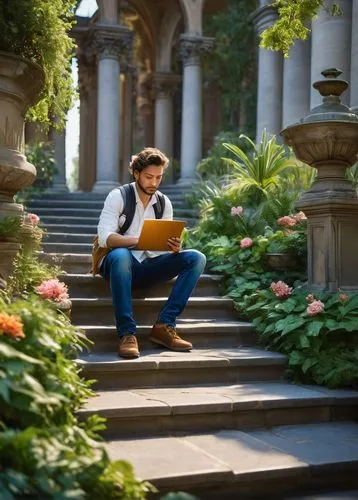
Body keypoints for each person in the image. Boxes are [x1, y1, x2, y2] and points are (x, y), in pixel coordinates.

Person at [97, 147, 206, 359]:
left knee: (196, 258)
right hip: (119, 266)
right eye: (148, 177)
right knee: (120, 254)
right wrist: (138, 241)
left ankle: (164, 325)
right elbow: (106, 238)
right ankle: (127, 334)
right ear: (136, 173)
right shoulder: (118, 196)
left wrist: (173, 247)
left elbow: (160, 244)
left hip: (149, 265)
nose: (153, 183)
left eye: (158, 177)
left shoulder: (163, 202)